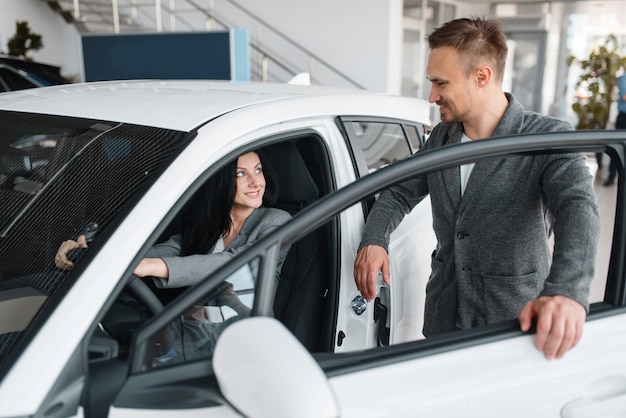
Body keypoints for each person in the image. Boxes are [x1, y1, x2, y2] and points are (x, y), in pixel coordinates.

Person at [353, 17, 600, 360]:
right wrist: (374, 239)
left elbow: (578, 208)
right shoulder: (442, 138)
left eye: (441, 83)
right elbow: (398, 191)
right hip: (442, 319)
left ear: (481, 76)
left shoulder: (547, 139)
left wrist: (568, 291)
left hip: (511, 327)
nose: (432, 96)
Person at [56, 149, 291, 295]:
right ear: (221, 182)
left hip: (242, 337)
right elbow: (162, 250)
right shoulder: (211, 224)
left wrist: (147, 266)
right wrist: (92, 252)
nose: (256, 182)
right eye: (241, 174)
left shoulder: (276, 221)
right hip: (188, 330)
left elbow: (235, 264)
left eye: (258, 170)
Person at [606, 72, 626, 186]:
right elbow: (624, 96)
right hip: (624, 118)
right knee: (618, 148)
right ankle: (611, 177)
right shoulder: (623, 78)